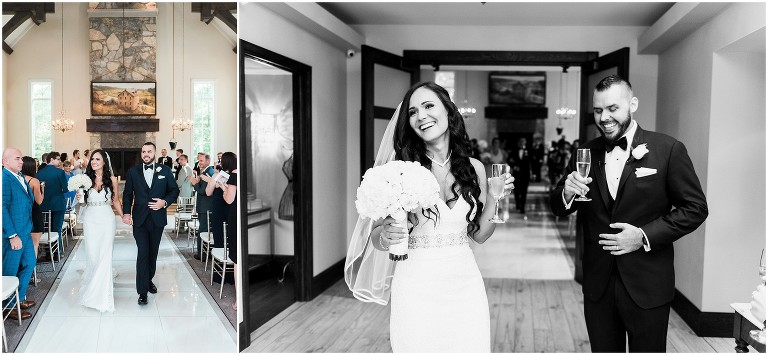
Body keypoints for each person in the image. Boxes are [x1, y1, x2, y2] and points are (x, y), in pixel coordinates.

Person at [345, 82, 514, 352]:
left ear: (448, 111)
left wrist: (494, 197)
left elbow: (480, 235)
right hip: (416, 286)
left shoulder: (475, 168)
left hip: (465, 285)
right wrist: (386, 235)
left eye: (428, 106)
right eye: (413, 112)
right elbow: (377, 237)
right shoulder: (399, 170)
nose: (421, 116)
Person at [550, 75, 708, 352]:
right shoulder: (585, 151)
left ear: (632, 104)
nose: (604, 118)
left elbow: (695, 208)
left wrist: (644, 236)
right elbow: (558, 206)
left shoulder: (668, 149)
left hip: (648, 282)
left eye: (613, 108)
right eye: (598, 111)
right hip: (598, 284)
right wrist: (567, 191)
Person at [122, 142, 179, 306]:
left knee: (153, 253)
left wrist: (165, 202)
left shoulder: (165, 170)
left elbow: (174, 190)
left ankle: (148, 280)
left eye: (149, 151)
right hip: (139, 219)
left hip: (157, 218)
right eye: (143, 151)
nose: (146, 154)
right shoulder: (133, 171)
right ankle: (142, 291)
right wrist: (126, 213)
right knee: (143, 253)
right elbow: (127, 194)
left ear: (155, 153)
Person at [75, 149, 123, 312]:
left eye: (97, 159)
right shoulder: (85, 179)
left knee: (104, 255)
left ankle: (101, 295)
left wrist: (124, 216)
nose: (94, 162)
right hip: (91, 219)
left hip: (106, 219)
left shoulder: (112, 180)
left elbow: (115, 201)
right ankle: (93, 288)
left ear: (104, 162)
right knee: (93, 254)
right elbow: (82, 203)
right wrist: (79, 198)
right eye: (92, 159)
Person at [2, 148, 36, 320]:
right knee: (10, 270)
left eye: (21, 158)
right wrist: (12, 234)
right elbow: (2, 208)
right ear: (5, 161)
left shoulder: (19, 176)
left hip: (25, 230)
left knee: (30, 263)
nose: (21, 161)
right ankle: (9, 308)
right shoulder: (4, 178)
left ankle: (19, 297)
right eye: (17, 159)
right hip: (14, 234)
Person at [202, 151, 238, 309]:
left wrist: (214, 181)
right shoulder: (229, 175)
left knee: (226, 240)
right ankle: (227, 276)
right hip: (226, 210)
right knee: (226, 240)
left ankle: (226, 275)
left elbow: (209, 192)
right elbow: (209, 192)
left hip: (226, 209)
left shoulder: (227, 176)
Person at [37, 151, 68, 257]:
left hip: (44, 205)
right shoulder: (59, 172)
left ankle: (47, 252)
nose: (60, 161)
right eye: (58, 159)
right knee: (57, 228)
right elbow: (65, 189)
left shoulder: (39, 173)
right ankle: (57, 252)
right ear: (52, 160)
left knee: (47, 229)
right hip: (58, 204)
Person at [189, 153, 214, 260]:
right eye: (198, 161)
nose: (199, 163)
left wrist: (194, 183)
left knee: (203, 230)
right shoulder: (206, 171)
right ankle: (204, 252)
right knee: (204, 229)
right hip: (204, 206)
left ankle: (202, 254)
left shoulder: (208, 173)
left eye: (201, 161)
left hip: (205, 206)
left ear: (208, 161)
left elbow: (203, 191)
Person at [21, 157, 44, 265]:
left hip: (22, 214)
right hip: (33, 213)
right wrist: (42, 189)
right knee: (34, 244)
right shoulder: (34, 181)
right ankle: (31, 273)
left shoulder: (18, 179)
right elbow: (39, 201)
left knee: (23, 245)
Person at [509, 137, 531, 215]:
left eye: (524, 142)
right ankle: (518, 203)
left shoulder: (528, 151)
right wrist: (514, 166)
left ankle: (522, 207)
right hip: (517, 174)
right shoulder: (514, 151)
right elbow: (509, 160)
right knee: (517, 190)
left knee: (524, 191)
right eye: (521, 142)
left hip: (525, 174)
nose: (522, 144)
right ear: (519, 143)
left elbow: (531, 162)